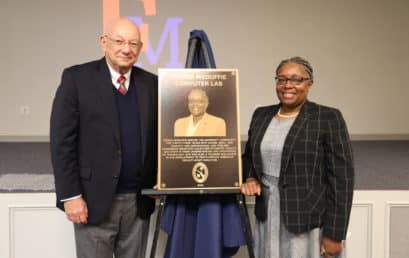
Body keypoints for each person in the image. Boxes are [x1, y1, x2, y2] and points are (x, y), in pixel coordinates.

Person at [50, 18, 157, 258]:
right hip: (92, 200)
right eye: (119, 41)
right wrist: (71, 196)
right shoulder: (76, 79)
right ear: (103, 42)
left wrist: (163, 177)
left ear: (140, 48)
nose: (126, 49)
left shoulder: (152, 84)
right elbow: (61, 143)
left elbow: (160, 139)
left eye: (133, 43)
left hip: (138, 203)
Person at [241, 56, 354, 258]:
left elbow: (342, 180)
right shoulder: (261, 115)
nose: (287, 85)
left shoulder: (327, 118)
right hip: (267, 217)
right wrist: (250, 177)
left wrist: (335, 235)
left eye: (296, 80)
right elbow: (249, 156)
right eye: (282, 79)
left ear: (309, 83)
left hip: (307, 222)